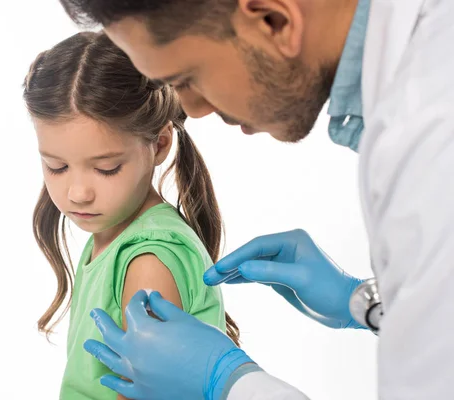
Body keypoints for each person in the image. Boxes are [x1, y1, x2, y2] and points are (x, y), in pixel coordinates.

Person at [58, 0, 454, 398]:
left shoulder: (433, 139)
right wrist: (367, 301)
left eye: (186, 78)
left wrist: (232, 382)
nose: (191, 111)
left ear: (272, 19)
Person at [22, 31, 241, 400]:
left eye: (106, 168)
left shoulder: (147, 259)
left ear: (160, 143)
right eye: (56, 167)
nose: (78, 192)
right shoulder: (114, 234)